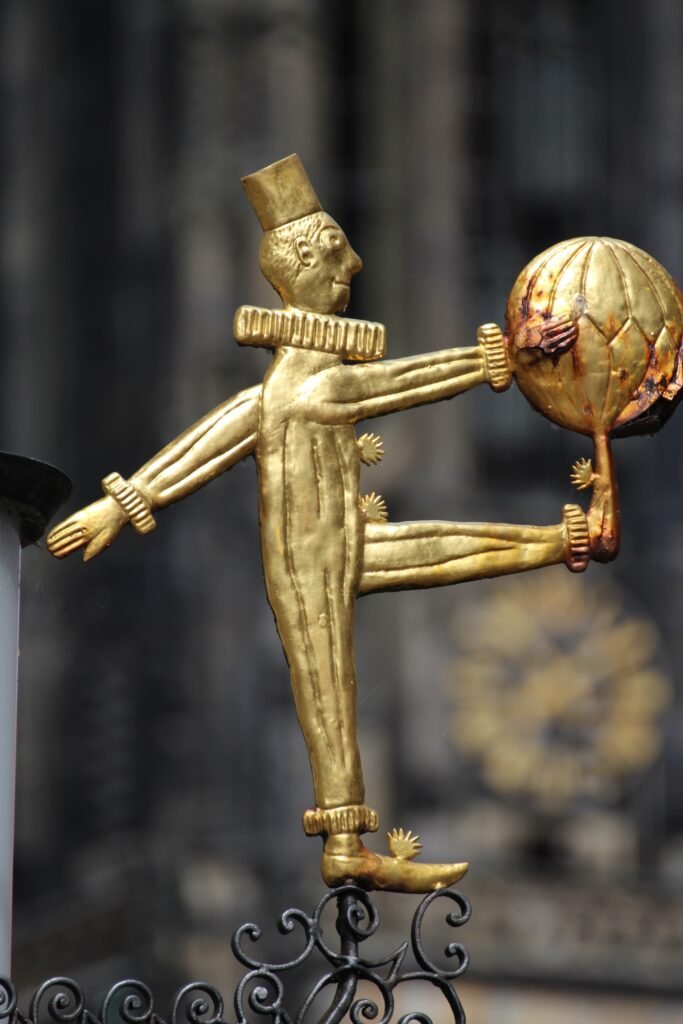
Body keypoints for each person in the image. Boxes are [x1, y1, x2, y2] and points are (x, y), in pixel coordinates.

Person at [48, 155, 604, 892]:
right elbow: (388, 384)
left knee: (441, 550)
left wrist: (121, 505)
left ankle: (561, 539)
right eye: (338, 247)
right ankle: (344, 844)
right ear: (305, 263)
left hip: (340, 540)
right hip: (312, 562)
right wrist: (496, 356)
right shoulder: (308, 381)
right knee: (334, 693)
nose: (356, 259)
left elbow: (223, 429)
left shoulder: (294, 378)